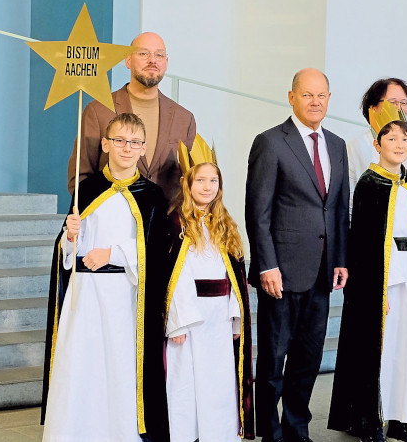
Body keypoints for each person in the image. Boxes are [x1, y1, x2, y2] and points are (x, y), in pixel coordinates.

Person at [42, 112, 170, 442]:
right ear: (105, 144)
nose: (127, 148)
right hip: (84, 296)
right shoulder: (87, 190)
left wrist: (112, 254)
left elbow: (155, 252)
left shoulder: (152, 196)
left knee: (118, 366)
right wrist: (70, 238)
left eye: (134, 142)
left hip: (124, 298)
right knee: (81, 367)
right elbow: (67, 252)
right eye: (119, 141)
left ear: (143, 149)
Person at [245, 68, 350, 442]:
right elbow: (257, 212)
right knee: (273, 360)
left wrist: (340, 258)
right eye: (307, 95)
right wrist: (267, 265)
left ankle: (296, 429)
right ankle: (268, 432)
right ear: (291, 97)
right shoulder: (271, 142)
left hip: (322, 272)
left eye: (322, 95)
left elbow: (338, 208)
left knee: (307, 360)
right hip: (281, 273)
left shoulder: (336, 144)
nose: (315, 101)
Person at [328, 102, 407, 442]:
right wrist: (377, 289)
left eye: (405, 139)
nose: (400, 145)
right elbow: (364, 245)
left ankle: (402, 419)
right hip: (384, 283)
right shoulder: (370, 185)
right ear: (377, 144)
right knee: (380, 351)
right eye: (392, 139)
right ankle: (371, 419)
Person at [164, 137, 254, 441]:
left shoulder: (225, 224)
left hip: (218, 316)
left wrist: (235, 316)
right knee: (184, 379)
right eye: (200, 180)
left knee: (218, 378)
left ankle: (219, 434)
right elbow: (174, 276)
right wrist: (176, 321)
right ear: (186, 183)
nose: (207, 186)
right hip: (190, 317)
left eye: (213, 180)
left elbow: (234, 277)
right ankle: (184, 435)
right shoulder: (176, 224)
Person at [68, 31, 196, 202]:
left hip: (164, 224)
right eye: (143, 53)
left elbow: (189, 180)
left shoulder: (184, 119)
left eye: (159, 55)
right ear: (128, 60)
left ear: (166, 63)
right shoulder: (98, 110)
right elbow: (80, 176)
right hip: (111, 223)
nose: (152, 60)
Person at [347, 78, 407, 216]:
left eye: (404, 103)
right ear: (373, 107)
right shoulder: (355, 148)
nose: (399, 108)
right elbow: (350, 204)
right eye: (393, 102)